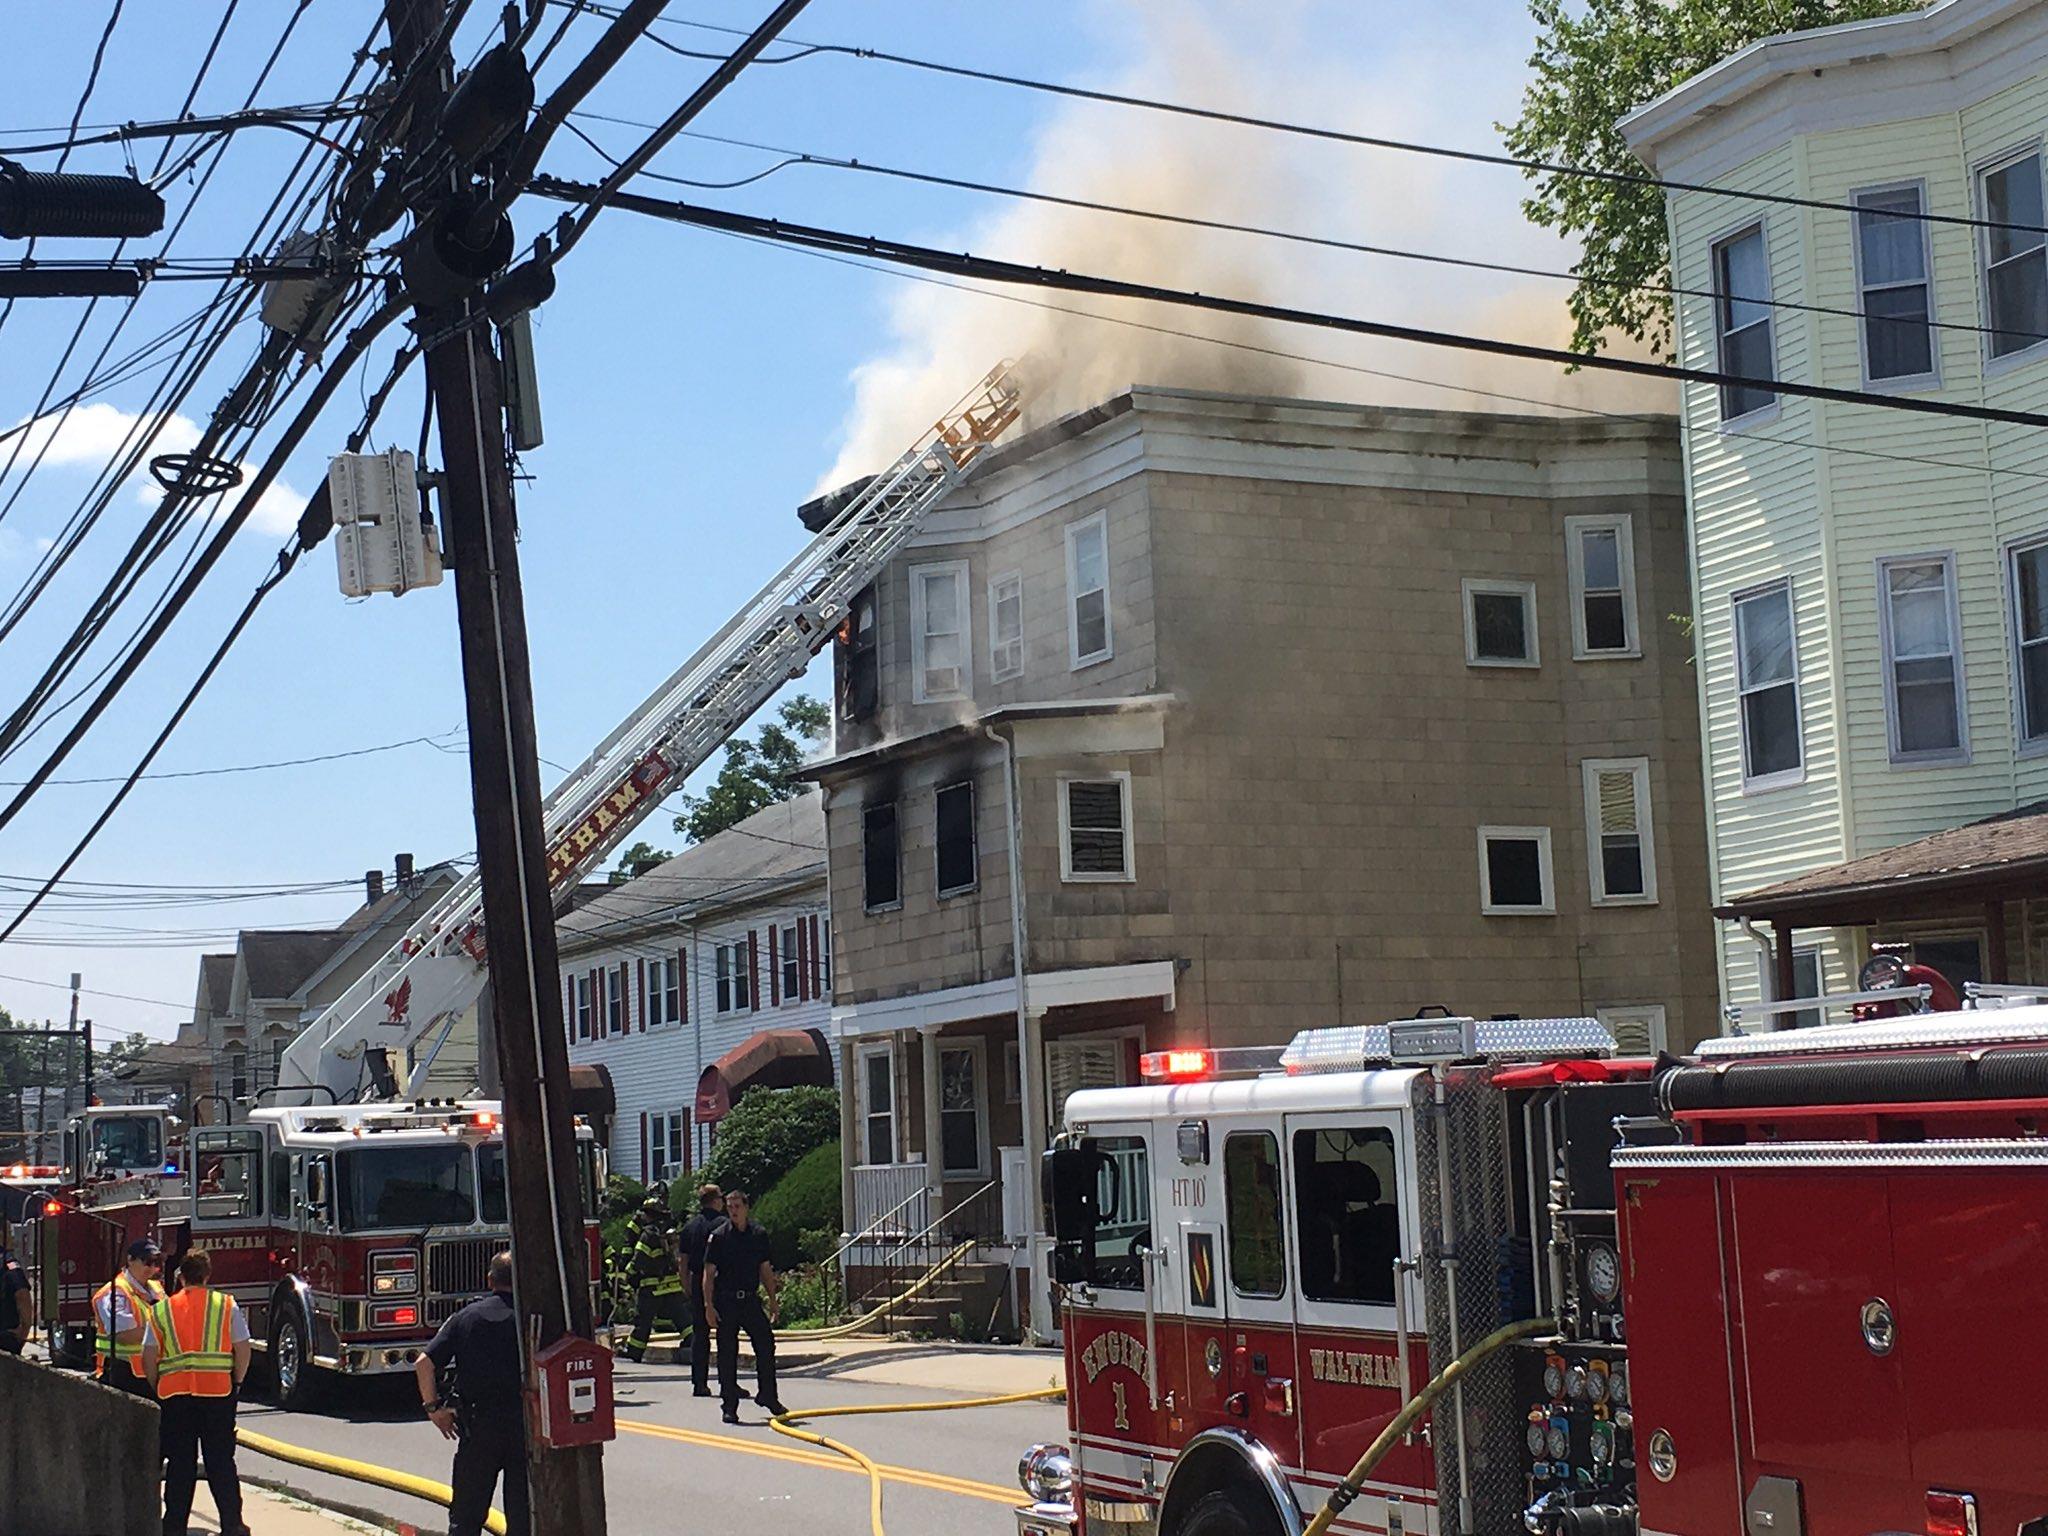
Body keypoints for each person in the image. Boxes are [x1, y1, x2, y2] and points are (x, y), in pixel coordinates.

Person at [416, 1249, 528, 1536]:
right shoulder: (532, 1318)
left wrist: (434, 1409)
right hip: (524, 1429)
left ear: (489, 1280)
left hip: (478, 1429)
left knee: (465, 1519)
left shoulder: (466, 1317)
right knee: (524, 1520)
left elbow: (424, 1363)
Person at [143, 1249, 250, 1536]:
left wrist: (158, 1387)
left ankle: (174, 1527)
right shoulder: (225, 1304)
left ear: (180, 1278)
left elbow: (148, 1355)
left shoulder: (161, 1310)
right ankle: (232, 1524)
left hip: (175, 1398)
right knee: (220, 1463)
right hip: (218, 1395)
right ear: (207, 1276)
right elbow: (242, 1348)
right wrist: (236, 1382)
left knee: (180, 1464)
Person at [702, 1189, 785, 1423]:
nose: (734, 1211)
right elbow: (708, 1274)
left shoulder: (758, 1234)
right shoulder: (718, 1236)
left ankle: (768, 1395)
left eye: (737, 1206)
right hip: (726, 1301)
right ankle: (729, 1405)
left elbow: (765, 1269)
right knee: (727, 1354)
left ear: (747, 1207)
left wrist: (773, 1300)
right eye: (730, 1207)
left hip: (749, 1299)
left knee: (766, 1344)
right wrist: (709, 1306)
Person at [93, 1237, 167, 1397]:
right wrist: (165, 1333)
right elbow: (124, 1335)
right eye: (147, 1261)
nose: (152, 1267)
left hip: (153, 1371)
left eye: (156, 1262)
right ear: (130, 1260)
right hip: (124, 1374)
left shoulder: (156, 1288)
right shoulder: (115, 1292)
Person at [620, 1189, 687, 1364]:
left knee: (643, 1320)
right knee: (681, 1317)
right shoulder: (668, 1230)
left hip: (651, 1286)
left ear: (648, 1214)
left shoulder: (648, 1233)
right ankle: (692, 1341)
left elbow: (639, 1258)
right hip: (672, 1285)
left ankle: (634, 1351)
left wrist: (627, 1274)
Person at [677, 1183, 726, 1396]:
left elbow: (682, 1261)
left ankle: (699, 1383)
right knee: (725, 1333)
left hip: (697, 1281)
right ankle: (728, 1383)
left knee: (700, 1333)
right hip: (721, 1282)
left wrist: (686, 1285)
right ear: (715, 1200)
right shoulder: (723, 1225)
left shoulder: (690, 1227)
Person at [0, 1211, 32, 1356]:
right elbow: (22, 1294)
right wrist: (24, 1330)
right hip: (5, 1336)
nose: (12, 1237)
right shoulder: (8, 1263)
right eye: (9, 1232)